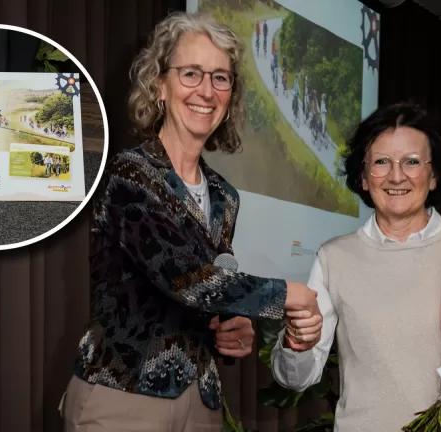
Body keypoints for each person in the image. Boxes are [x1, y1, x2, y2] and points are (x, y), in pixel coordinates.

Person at [61, 12, 320, 432]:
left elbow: (215, 286)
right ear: (159, 85)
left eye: (221, 78)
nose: (207, 90)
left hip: (202, 403)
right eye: (191, 73)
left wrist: (233, 327)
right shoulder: (131, 175)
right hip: (123, 397)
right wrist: (286, 294)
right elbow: (186, 279)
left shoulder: (224, 197)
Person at [270, 102, 441, 431]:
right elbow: (299, 377)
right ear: (363, 177)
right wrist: (296, 345)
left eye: (412, 162)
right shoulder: (335, 258)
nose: (396, 175)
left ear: (433, 176)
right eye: (381, 162)